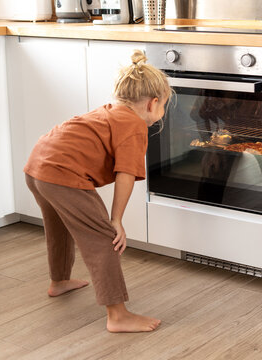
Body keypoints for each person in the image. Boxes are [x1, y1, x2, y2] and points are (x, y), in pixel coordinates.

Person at [23, 50, 172, 333]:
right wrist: (115, 221)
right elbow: (125, 175)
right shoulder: (134, 125)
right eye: (163, 105)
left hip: (37, 165)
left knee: (59, 226)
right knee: (104, 239)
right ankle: (117, 315)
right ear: (153, 104)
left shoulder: (111, 112)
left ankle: (59, 282)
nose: (161, 112)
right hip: (61, 173)